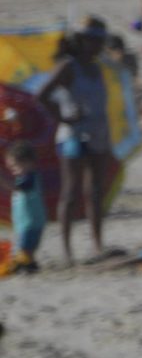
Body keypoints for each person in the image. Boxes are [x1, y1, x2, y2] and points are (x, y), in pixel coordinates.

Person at [35, 28, 115, 260]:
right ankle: (67, 250)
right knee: (71, 192)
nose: (99, 47)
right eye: (96, 41)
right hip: (73, 135)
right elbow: (42, 95)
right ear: (84, 41)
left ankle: (98, 245)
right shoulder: (69, 67)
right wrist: (63, 117)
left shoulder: (97, 68)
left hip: (99, 134)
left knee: (96, 192)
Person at [4, 142, 43, 273]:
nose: (13, 171)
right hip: (25, 220)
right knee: (25, 243)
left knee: (26, 244)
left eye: (15, 166)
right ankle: (30, 262)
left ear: (28, 162)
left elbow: (18, 188)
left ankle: (25, 262)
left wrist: (3, 181)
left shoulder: (30, 178)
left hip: (31, 221)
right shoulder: (22, 178)